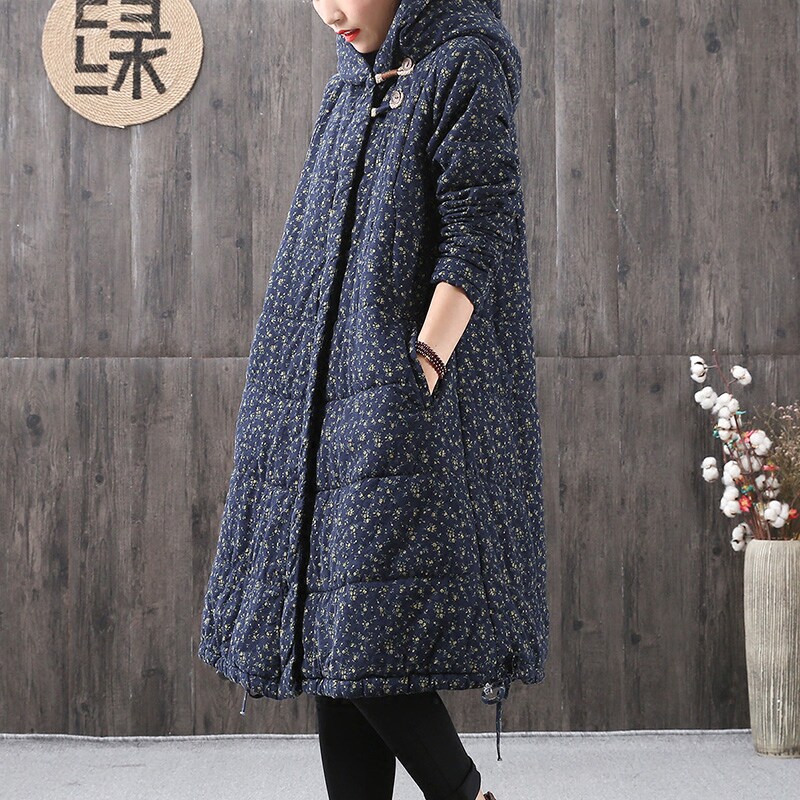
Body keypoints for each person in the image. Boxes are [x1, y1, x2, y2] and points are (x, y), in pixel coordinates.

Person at [197, 1, 549, 798]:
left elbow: (481, 225)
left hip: (394, 396)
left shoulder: (463, 63)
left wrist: (422, 363)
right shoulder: (355, 81)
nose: (330, 10)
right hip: (315, 398)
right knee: (336, 631)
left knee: (360, 628)